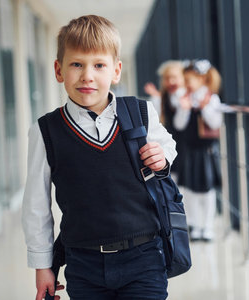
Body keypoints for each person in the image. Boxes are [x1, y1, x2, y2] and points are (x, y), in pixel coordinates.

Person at [22, 15, 176, 300]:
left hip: (143, 257)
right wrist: (43, 265)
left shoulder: (141, 113)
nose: (87, 76)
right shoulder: (45, 132)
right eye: (76, 64)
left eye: (99, 65)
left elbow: (168, 146)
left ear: (116, 71)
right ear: (59, 70)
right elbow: (36, 204)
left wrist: (162, 157)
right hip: (83, 263)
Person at [173, 59, 222, 241]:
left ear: (202, 79)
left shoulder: (211, 98)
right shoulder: (185, 98)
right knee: (189, 189)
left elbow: (215, 123)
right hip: (189, 149)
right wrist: (184, 109)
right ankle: (194, 224)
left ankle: (207, 226)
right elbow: (179, 125)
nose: (188, 83)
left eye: (191, 79)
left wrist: (203, 107)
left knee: (207, 190)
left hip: (206, 150)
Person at [143, 60, 186, 180]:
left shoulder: (185, 97)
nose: (171, 81)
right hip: (169, 145)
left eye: (175, 77)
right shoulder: (162, 99)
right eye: (167, 78)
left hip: (185, 146)